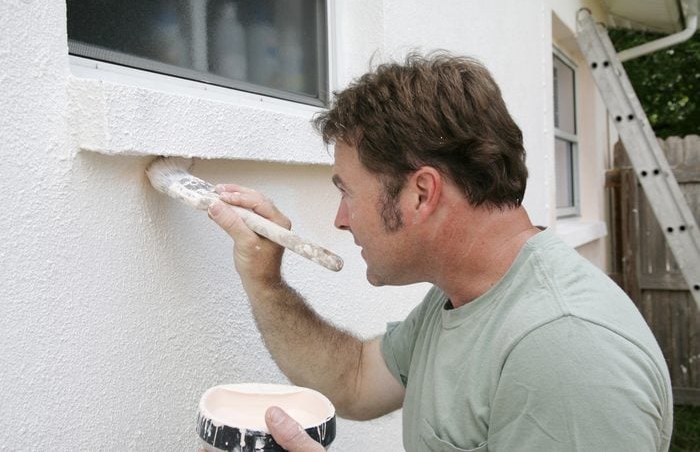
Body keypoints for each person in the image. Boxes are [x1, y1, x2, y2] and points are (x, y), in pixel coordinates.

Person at [208, 53, 673, 451]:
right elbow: (353, 380)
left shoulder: (565, 351)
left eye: (348, 192)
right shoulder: (461, 296)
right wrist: (265, 281)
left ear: (421, 193)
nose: (341, 218)